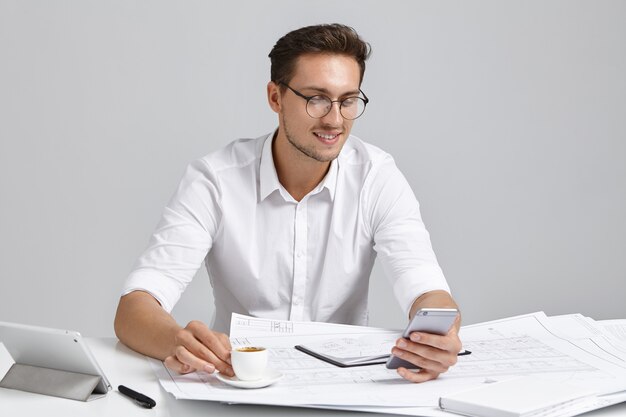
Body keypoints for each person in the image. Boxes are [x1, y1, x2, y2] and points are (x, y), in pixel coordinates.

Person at [114, 23, 462, 384]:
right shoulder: (215, 180)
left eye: (348, 100)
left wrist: (437, 335)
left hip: (343, 387)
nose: (335, 119)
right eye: (317, 99)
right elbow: (136, 306)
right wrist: (178, 341)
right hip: (240, 384)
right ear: (275, 98)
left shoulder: (377, 177)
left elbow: (425, 287)